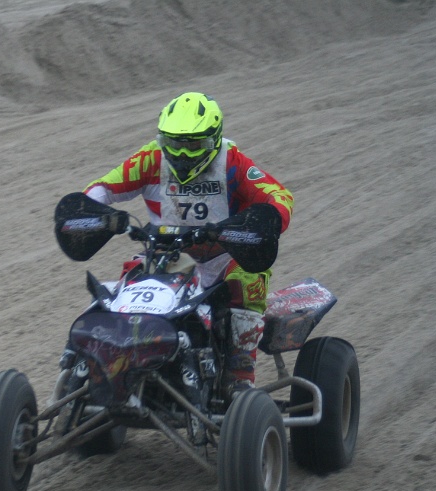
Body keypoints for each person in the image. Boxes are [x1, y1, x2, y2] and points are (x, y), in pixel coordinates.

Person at [82, 92, 294, 395]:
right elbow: (103, 187)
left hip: (224, 257)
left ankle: (239, 374)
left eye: (193, 145)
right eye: (174, 144)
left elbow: (280, 196)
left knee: (247, 281)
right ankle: (113, 368)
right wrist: (96, 210)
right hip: (165, 256)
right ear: (161, 139)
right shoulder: (150, 157)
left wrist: (265, 220)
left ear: (214, 138)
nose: (181, 154)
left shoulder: (232, 162)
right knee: (120, 291)